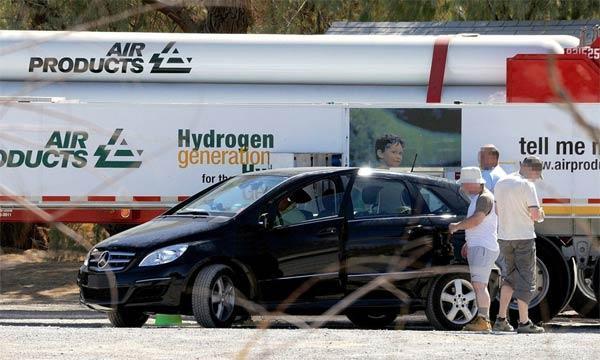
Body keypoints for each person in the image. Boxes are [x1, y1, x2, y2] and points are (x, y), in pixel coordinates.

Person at [493, 155, 545, 334]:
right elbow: (535, 215)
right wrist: (541, 213)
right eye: (537, 175)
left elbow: (497, 210)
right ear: (533, 170)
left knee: (510, 278)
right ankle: (524, 322)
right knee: (526, 279)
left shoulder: (501, 182)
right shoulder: (527, 185)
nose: (536, 179)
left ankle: (501, 319)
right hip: (523, 237)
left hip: (504, 237)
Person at [449, 167, 499, 332]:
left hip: (483, 246)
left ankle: (483, 320)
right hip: (480, 245)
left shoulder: (484, 198)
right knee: (479, 284)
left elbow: (477, 220)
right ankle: (483, 319)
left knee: (479, 285)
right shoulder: (480, 197)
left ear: (472, 183)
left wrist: (457, 226)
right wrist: (468, 241)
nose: (462, 187)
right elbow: (480, 224)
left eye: (464, 183)